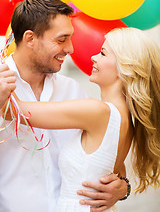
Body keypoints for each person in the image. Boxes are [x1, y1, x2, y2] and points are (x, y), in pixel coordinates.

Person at [0, 0, 128, 212]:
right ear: (30, 39)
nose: (70, 49)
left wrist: (122, 187)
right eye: (61, 39)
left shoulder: (72, 89)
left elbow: (105, 154)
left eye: (70, 38)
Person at [11, 27, 160, 211]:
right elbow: (115, 174)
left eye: (103, 53)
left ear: (124, 68)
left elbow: (18, 112)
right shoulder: (127, 120)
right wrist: (124, 187)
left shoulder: (97, 111)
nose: (93, 57)